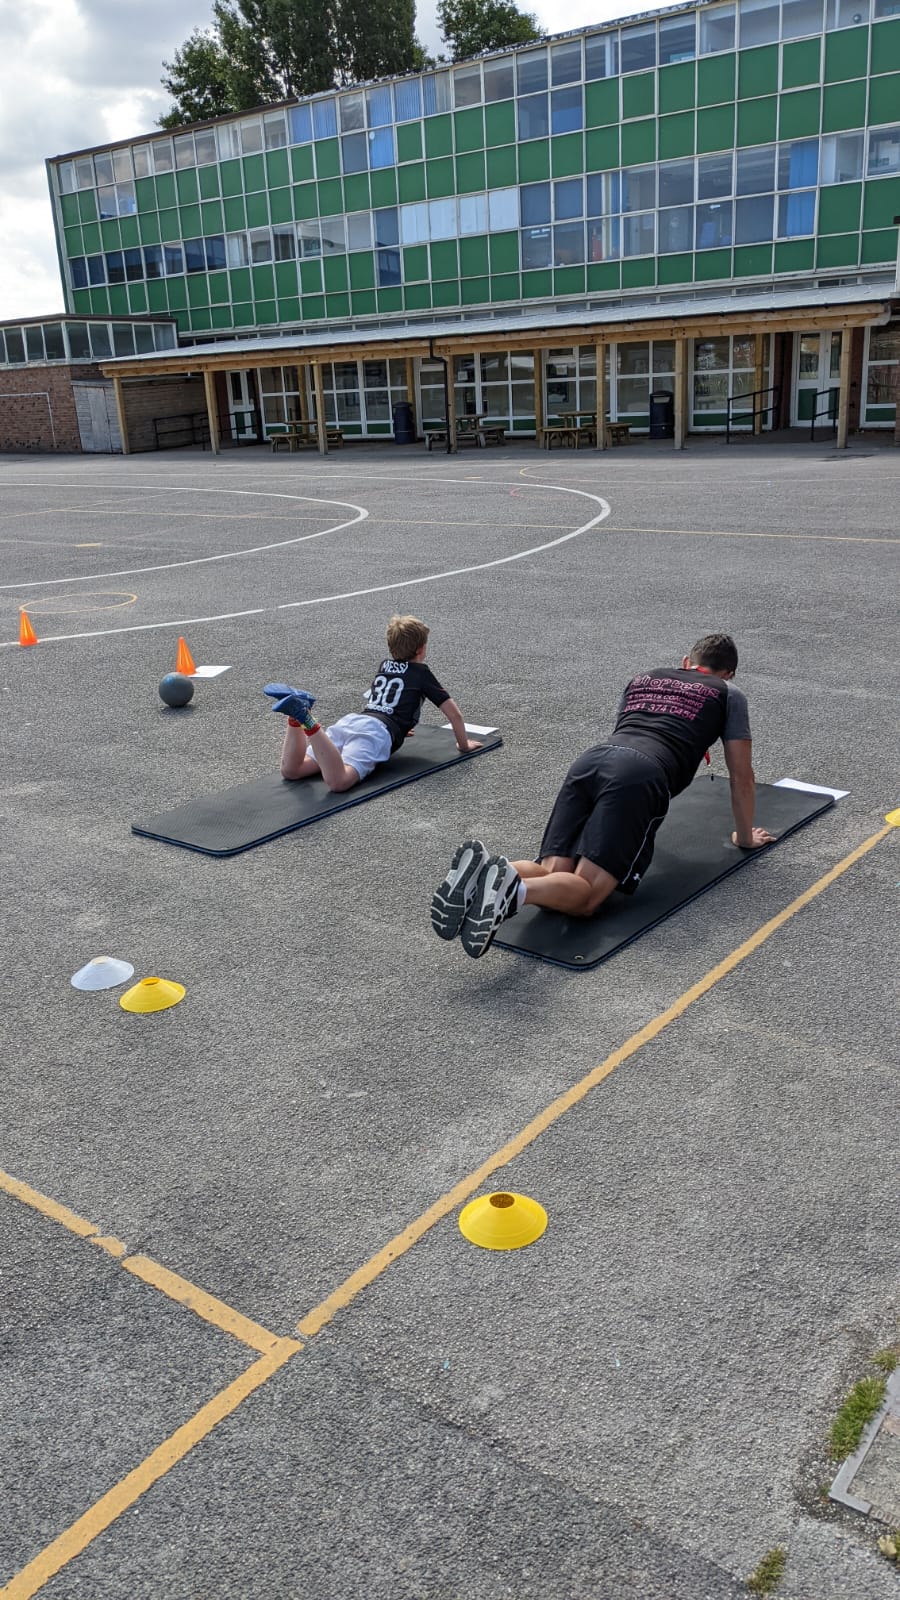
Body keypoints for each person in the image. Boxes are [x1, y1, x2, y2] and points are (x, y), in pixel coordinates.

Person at [431, 632, 774, 960]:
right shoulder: (728, 692)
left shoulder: (644, 678)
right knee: (587, 897)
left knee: (553, 870)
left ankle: (488, 878)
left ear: (686, 661)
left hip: (592, 760)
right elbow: (741, 776)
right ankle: (515, 891)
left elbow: (632, 730)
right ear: (730, 673)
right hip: (641, 775)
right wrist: (744, 837)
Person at [265, 614, 481, 792]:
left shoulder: (385, 666)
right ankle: (307, 719)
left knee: (293, 771)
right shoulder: (422, 674)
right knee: (339, 781)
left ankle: (296, 718)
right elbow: (454, 715)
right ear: (421, 649)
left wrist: (401, 726)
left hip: (354, 721)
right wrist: (463, 745)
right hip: (374, 733)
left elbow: (386, 701)